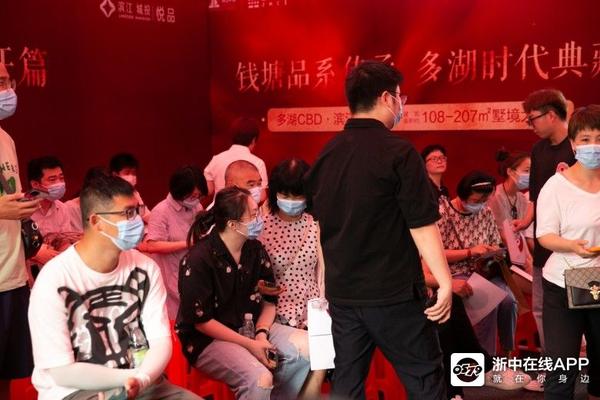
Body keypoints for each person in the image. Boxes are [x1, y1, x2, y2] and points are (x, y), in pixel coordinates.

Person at [305, 60, 452, 399]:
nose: (402, 104)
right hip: (394, 294)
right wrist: (444, 282)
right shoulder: (399, 152)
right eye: (401, 97)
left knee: (346, 385)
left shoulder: (327, 153)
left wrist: (327, 285)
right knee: (424, 379)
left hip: (343, 295)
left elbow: (322, 227)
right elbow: (421, 224)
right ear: (387, 98)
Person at [27, 174, 201, 400]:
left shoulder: (145, 268)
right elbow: (61, 373)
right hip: (76, 391)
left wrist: (143, 378)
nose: (137, 221)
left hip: (144, 383)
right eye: (127, 214)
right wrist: (128, 378)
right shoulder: (54, 279)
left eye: (137, 211)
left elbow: (160, 342)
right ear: (96, 222)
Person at [177, 186, 311, 400]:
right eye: (254, 215)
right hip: (209, 339)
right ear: (232, 224)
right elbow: (202, 322)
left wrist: (261, 334)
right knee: (259, 378)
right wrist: (251, 345)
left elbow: (269, 301)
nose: (260, 219)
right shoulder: (198, 259)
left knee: (307, 349)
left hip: (252, 328)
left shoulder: (255, 250)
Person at [536, 105, 600, 400]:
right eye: (586, 139)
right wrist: (572, 246)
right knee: (562, 366)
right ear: (573, 144)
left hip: (598, 280)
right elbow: (545, 236)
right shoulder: (556, 186)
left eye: (599, 138)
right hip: (564, 280)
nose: (594, 146)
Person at [259, 158, 326, 398]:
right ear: (275, 193)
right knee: (297, 359)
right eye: (285, 194)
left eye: (298, 195)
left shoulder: (316, 225)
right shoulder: (261, 228)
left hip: (314, 310)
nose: (291, 201)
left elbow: (323, 275)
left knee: (323, 359)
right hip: (275, 314)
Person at [522, 89, 576, 374]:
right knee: (542, 310)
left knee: (582, 309)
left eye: (532, 119)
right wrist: (524, 221)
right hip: (545, 247)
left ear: (552, 115)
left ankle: (583, 371)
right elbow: (535, 197)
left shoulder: (577, 148)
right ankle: (552, 370)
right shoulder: (538, 150)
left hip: (575, 248)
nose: (531, 125)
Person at [437, 171, 518, 356]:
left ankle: (507, 354)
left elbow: (495, 242)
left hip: (485, 271)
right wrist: (470, 252)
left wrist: (494, 251)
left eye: (484, 201)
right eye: (475, 201)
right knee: (488, 303)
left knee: (509, 302)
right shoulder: (443, 214)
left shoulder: (485, 212)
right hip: (456, 273)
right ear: (462, 195)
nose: (480, 205)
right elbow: (434, 255)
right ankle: (485, 360)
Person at [0, 62, 41, 399]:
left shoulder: (6, 139)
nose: (7, 90)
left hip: (11, 276)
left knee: (8, 375)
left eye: (6, 80)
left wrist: (23, 267)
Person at [140, 165, 207, 320]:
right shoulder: (161, 210)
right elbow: (152, 245)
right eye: (192, 196)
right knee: (175, 318)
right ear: (180, 191)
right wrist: (187, 243)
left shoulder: (197, 206)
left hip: (193, 270)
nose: (195, 200)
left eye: (199, 196)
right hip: (170, 272)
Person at [28, 156, 81, 265]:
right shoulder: (22, 209)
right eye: (52, 180)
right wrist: (35, 253)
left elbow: (64, 241)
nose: (59, 183)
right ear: (35, 184)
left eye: (61, 178)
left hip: (54, 266)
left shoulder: (62, 208)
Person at [487, 149, 533, 271]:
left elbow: (521, 235)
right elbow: (504, 235)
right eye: (527, 171)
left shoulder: (522, 198)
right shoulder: (495, 196)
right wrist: (525, 263)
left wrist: (529, 259)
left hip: (516, 255)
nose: (530, 175)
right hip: (499, 257)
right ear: (510, 172)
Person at [204, 117, 268, 201]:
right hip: (246, 208)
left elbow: (207, 190)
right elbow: (262, 196)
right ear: (253, 140)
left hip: (220, 207)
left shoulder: (216, 159)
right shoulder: (258, 162)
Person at [109, 152, 151, 223]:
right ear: (115, 175)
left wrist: (157, 222)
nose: (131, 176)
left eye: (133, 173)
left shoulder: (134, 193)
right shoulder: (108, 194)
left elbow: (145, 213)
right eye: (127, 173)